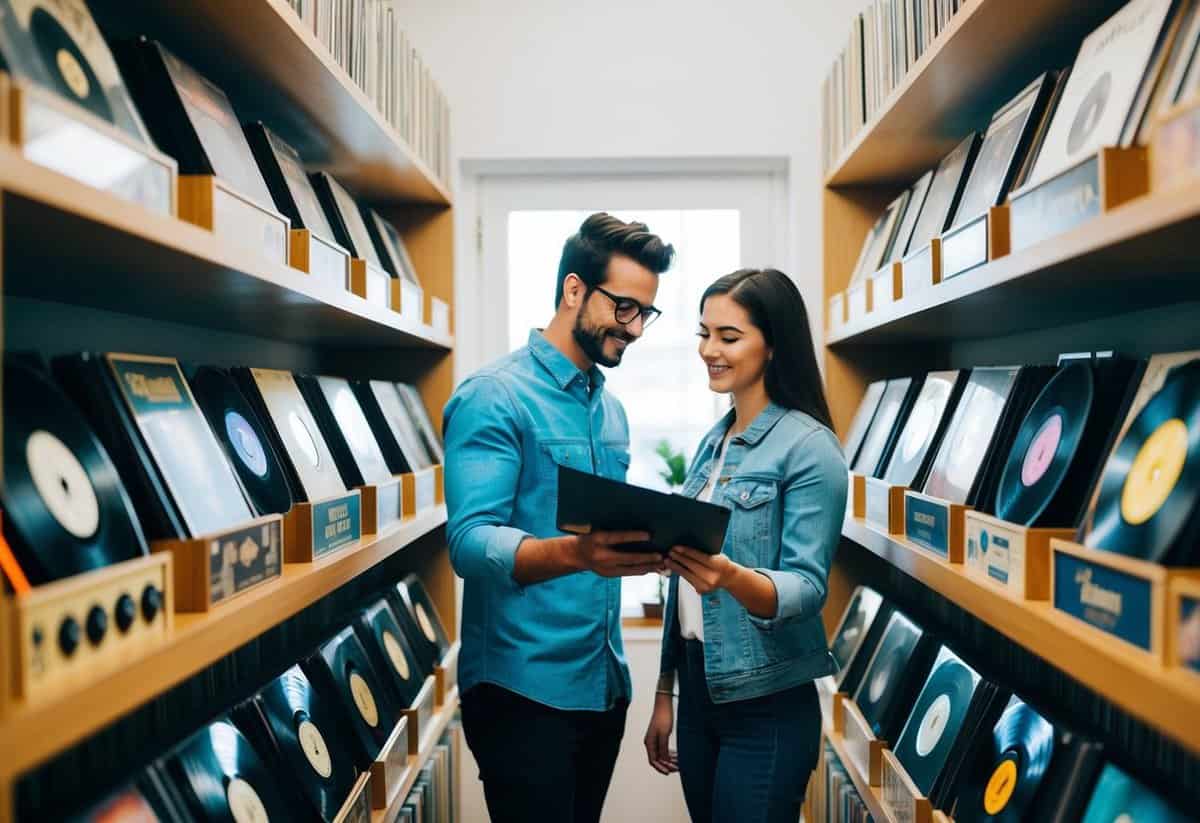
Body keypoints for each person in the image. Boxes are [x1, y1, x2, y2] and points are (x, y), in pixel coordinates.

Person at [444, 212, 675, 823]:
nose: (635, 329)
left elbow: (599, 530)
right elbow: (469, 544)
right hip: (522, 692)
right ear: (574, 290)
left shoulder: (612, 411)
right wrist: (578, 554)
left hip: (602, 685)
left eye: (645, 314)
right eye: (624, 308)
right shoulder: (493, 395)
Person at [642, 268, 847, 823]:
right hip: (699, 688)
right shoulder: (715, 441)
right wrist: (667, 694)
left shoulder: (811, 448)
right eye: (703, 334)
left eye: (728, 337)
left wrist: (728, 576)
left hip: (769, 705)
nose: (710, 350)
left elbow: (806, 589)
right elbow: (689, 596)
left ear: (774, 344)